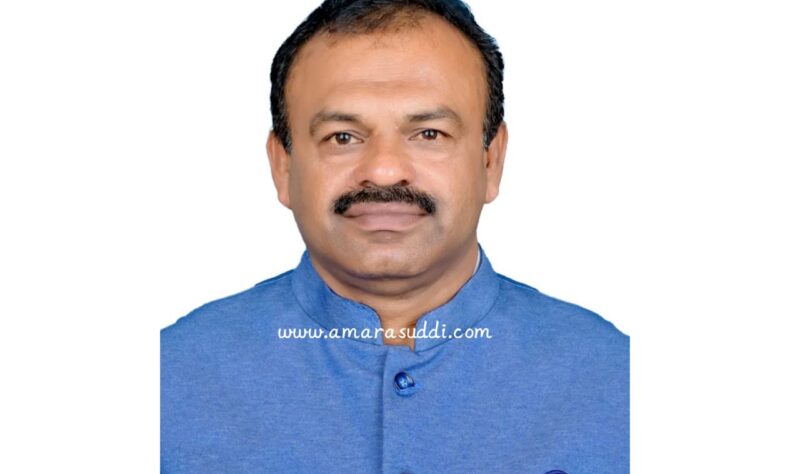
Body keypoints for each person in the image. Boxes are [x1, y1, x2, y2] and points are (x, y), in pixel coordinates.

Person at [161, 1, 629, 472]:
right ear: (283, 167)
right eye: (343, 137)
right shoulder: (169, 376)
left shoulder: (617, 377)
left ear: (491, 161)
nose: (384, 170)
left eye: (429, 134)